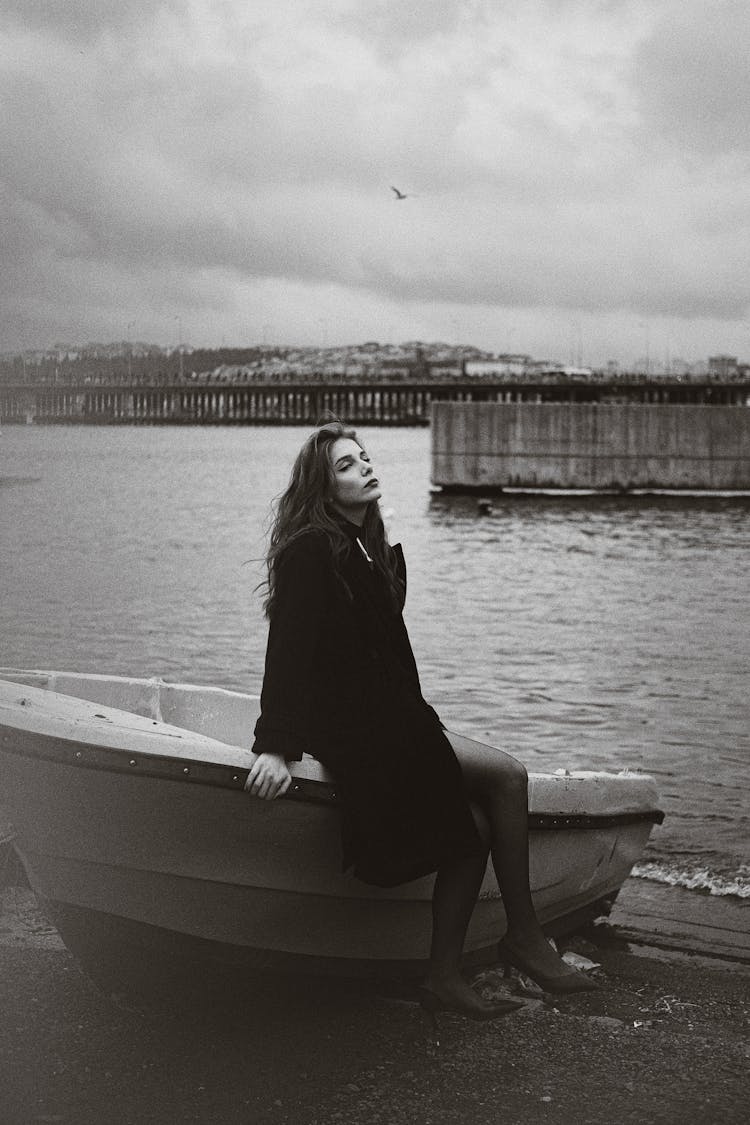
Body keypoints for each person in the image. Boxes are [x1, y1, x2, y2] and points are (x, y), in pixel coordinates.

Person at [246, 421, 597, 1020]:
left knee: (481, 824)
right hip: (359, 731)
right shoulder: (312, 547)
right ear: (323, 487)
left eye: (365, 457)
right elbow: (289, 651)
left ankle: (446, 975)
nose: (365, 468)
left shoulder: (363, 542)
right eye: (347, 466)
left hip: (395, 719)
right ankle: (523, 940)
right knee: (508, 777)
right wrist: (274, 745)